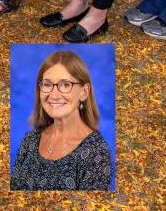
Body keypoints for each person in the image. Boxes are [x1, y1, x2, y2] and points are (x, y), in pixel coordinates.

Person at [10, 50, 113, 190]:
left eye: (65, 85)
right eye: (47, 85)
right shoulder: (29, 141)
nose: (54, 94)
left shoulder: (96, 152)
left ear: (84, 92)